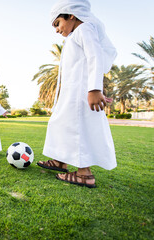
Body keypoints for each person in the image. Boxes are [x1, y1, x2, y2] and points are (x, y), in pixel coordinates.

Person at [37, 0, 117, 188]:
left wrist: (95, 89)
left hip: (80, 95)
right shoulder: (74, 36)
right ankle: (60, 160)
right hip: (72, 93)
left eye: (57, 23)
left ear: (71, 14)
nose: (57, 30)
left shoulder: (84, 29)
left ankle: (84, 174)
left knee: (78, 128)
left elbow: (94, 56)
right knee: (60, 123)